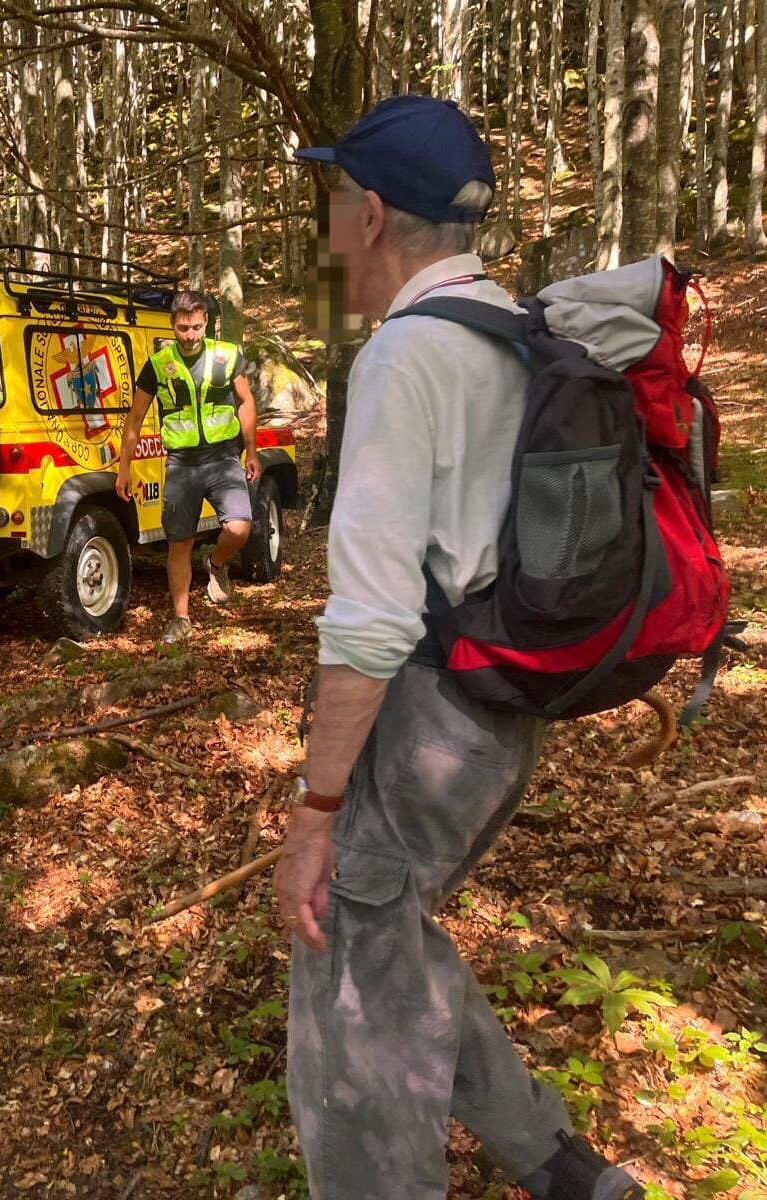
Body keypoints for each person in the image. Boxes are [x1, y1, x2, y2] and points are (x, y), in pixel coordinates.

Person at [275, 95, 645, 1200]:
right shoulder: (516, 334)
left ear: (374, 215)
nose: (329, 229)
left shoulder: (403, 361)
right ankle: (556, 1161)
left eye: (336, 204)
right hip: (503, 711)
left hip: (435, 719)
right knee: (392, 944)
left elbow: (373, 618)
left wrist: (316, 813)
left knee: (344, 982)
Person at [116, 292, 260, 646]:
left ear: (206, 323)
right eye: (183, 328)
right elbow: (134, 418)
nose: (190, 335)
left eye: (196, 327)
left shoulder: (227, 356)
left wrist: (251, 451)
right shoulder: (158, 364)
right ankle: (181, 618)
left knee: (239, 528)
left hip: (224, 457)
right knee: (179, 542)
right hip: (181, 464)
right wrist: (124, 469)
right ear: (173, 326)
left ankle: (216, 562)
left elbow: (246, 401)